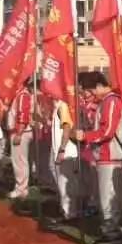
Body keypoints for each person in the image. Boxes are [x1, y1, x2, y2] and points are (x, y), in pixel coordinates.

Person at [73, 72, 122, 244]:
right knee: (105, 195)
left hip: (111, 155)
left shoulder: (111, 101)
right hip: (104, 155)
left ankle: (111, 231)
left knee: (108, 196)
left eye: (91, 90)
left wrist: (86, 136)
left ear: (98, 86)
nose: (91, 94)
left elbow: (107, 131)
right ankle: (110, 228)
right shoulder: (105, 102)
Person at [50, 89, 81, 220]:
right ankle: (66, 210)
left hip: (66, 152)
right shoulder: (59, 105)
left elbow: (67, 127)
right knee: (61, 182)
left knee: (65, 183)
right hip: (60, 149)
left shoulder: (63, 105)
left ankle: (69, 213)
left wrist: (62, 150)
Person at [7, 83, 36, 200]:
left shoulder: (22, 95)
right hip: (20, 131)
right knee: (21, 161)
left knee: (19, 161)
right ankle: (22, 187)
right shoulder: (20, 95)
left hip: (21, 132)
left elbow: (22, 115)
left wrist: (19, 133)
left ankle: (21, 189)